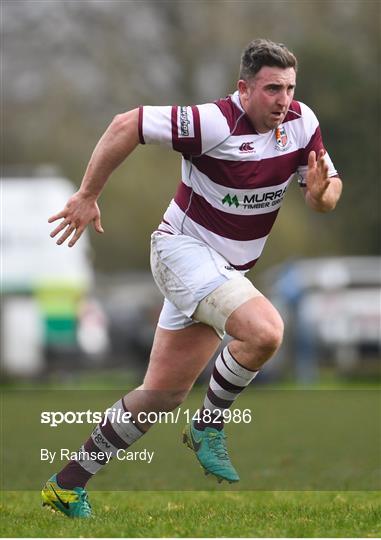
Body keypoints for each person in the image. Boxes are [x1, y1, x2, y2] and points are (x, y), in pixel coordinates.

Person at [41, 38, 342, 518]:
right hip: (182, 251)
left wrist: (322, 195)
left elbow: (324, 192)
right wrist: (86, 195)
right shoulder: (213, 122)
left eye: (288, 88)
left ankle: (66, 484)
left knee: (161, 395)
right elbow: (127, 124)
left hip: (224, 270)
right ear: (244, 89)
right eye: (271, 89)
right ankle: (209, 426)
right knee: (265, 331)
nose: (283, 100)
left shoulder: (302, 124)